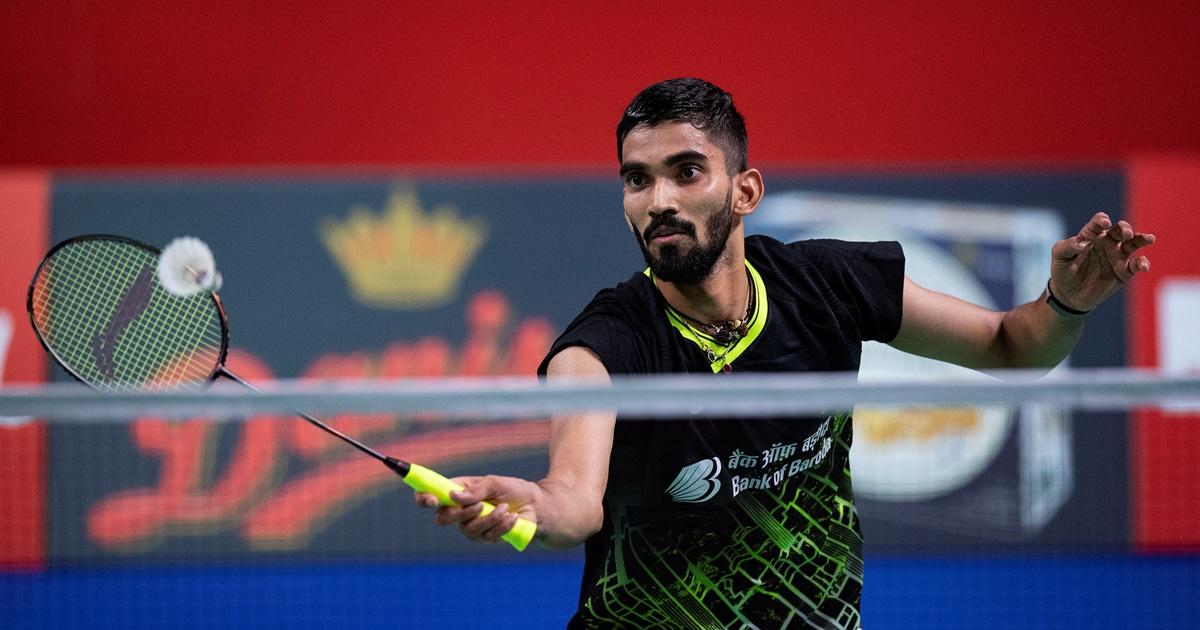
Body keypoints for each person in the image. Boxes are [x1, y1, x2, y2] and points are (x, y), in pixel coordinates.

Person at [415, 78, 1155, 629]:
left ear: (745, 191)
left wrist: (1066, 303)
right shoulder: (601, 348)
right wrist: (533, 505)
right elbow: (575, 501)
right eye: (637, 179)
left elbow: (1013, 346)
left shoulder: (829, 284)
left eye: (686, 171)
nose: (658, 200)